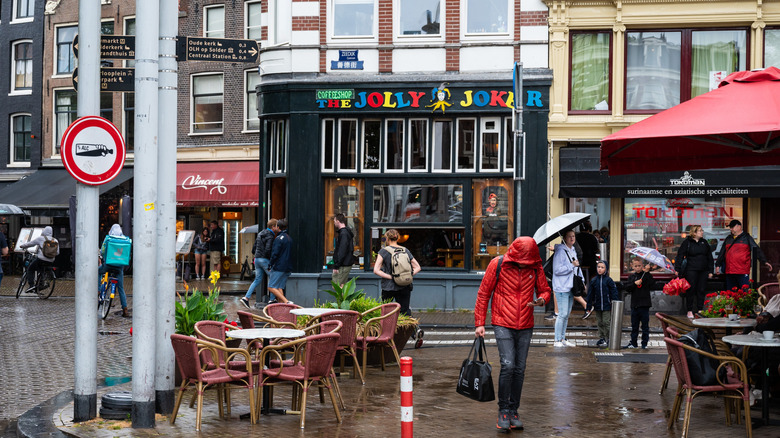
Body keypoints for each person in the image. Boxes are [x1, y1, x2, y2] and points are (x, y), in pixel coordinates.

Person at [474, 236, 551, 432]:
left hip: (525, 322)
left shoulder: (535, 267)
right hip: (502, 321)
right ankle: (503, 411)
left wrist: (541, 300)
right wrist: (479, 323)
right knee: (508, 365)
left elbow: (545, 290)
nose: (524, 264)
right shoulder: (497, 264)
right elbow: (484, 293)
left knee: (520, 368)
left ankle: (514, 410)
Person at [373, 229, 422, 317]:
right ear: (398, 238)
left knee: (386, 312)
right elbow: (418, 267)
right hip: (404, 285)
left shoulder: (383, 252)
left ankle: (389, 330)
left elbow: (376, 270)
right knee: (405, 312)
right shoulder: (405, 250)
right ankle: (408, 331)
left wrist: (390, 277)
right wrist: (406, 275)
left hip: (388, 287)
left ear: (387, 239)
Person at [716, 219, 772, 291]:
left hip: (742, 271)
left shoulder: (747, 237)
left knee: (744, 294)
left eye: (732, 227)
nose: (730, 229)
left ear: (739, 227)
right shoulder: (728, 238)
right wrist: (718, 265)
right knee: (730, 294)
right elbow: (722, 252)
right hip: (730, 271)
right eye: (730, 227)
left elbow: (756, 250)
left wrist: (764, 261)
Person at [552, 229, 583, 347]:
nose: (572, 238)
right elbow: (557, 270)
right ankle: (557, 340)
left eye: (573, 236)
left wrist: (582, 280)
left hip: (570, 286)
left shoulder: (572, 250)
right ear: (564, 238)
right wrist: (571, 265)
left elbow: (576, 268)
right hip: (562, 287)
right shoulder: (560, 251)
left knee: (567, 314)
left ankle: (563, 338)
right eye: (569, 236)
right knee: (562, 314)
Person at [674, 225, 714, 319]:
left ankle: (700, 310)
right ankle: (689, 310)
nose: (702, 232)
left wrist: (710, 270)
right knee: (690, 290)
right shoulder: (687, 242)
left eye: (702, 230)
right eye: (700, 230)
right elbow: (680, 255)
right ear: (694, 233)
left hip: (703, 270)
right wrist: (677, 268)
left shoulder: (704, 242)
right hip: (691, 270)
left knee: (701, 289)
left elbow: (709, 257)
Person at [240, 219, 278, 308]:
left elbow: (254, 248)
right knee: (273, 276)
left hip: (257, 259)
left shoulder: (260, 233)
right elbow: (268, 249)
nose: (277, 227)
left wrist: (257, 255)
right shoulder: (271, 236)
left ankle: (246, 298)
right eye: (276, 226)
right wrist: (270, 260)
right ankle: (272, 299)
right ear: (273, 227)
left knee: (257, 279)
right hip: (264, 259)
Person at [99, 224, 131, 317]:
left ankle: (98, 290)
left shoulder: (108, 238)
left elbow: (103, 251)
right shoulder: (125, 240)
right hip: (119, 267)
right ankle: (125, 309)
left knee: (98, 271)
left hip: (108, 265)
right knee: (121, 288)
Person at [622, 258, 655, 349]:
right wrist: (634, 284)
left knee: (645, 326)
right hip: (635, 305)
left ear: (643, 266)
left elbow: (652, 284)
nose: (637, 267)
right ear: (632, 266)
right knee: (634, 326)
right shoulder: (632, 277)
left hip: (644, 304)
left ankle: (644, 343)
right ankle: (633, 342)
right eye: (635, 266)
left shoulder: (646, 276)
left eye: (639, 266)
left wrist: (647, 273)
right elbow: (627, 288)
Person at [586, 260, 619, 347]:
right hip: (597, 305)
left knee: (606, 322)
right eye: (598, 267)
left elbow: (614, 292)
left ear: (606, 269)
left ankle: (608, 338)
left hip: (606, 305)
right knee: (599, 322)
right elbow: (590, 294)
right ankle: (602, 337)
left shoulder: (609, 280)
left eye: (602, 267)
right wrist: (588, 306)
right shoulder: (594, 280)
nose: (600, 269)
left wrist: (615, 302)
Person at [20, 226, 59, 290]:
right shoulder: (55, 240)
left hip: (41, 259)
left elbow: (30, 244)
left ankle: (31, 285)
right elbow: (57, 252)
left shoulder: (41, 238)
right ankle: (41, 284)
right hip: (51, 260)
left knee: (30, 269)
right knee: (42, 270)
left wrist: (22, 246)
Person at [268, 219, 293, 304]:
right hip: (288, 267)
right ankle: (282, 306)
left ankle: (286, 302)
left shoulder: (278, 238)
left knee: (271, 287)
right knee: (279, 287)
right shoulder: (289, 238)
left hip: (279, 266)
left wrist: (270, 265)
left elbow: (275, 253)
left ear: (278, 227)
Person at [332, 213, 355, 287]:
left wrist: (337, 265)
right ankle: (344, 298)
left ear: (338, 221)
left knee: (338, 286)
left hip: (343, 265)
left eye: (334, 221)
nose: (334, 223)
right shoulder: (345, 233)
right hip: (343, 264)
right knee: (340, 286)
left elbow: (342, 250)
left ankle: (345, 299)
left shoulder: (344, 233)